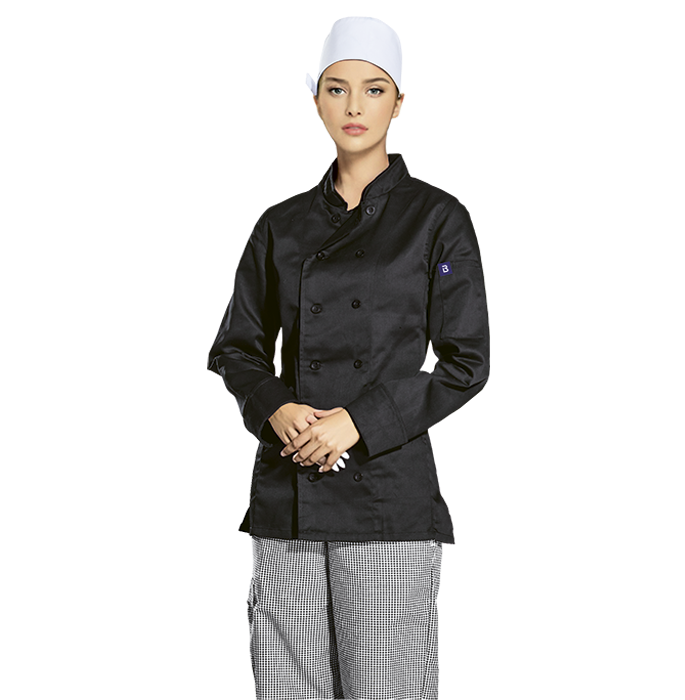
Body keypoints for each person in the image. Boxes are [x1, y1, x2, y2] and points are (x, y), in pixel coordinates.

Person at [206, 15, 490, 699]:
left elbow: (465, 361)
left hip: (389, 500)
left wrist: (357, 421)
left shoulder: (438, 218)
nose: (354, 106)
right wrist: (276, 408)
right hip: (287, 497)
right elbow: (235, 347)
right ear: (315, 101)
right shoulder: (278, 224)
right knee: (287, 690)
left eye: (373, 89)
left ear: (400, 103)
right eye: (336, 89)